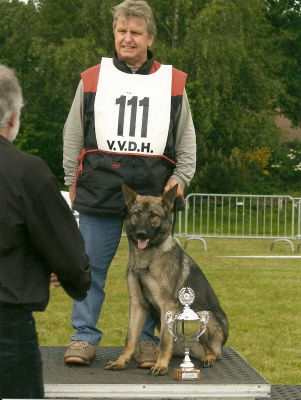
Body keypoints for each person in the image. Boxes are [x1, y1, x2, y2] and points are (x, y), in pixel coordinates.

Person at [63, 0, 196, 367]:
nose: (127, 38)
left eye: (135, 32)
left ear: (150, 37)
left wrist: (180, 178)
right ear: (114, 35)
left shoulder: (172, 82)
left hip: (154, 201)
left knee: (159, 278)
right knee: (90, 269)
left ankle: (148, 342)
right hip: (100, 191)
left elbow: (186, 140)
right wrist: (69, 180)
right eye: (122, 31)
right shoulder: (92, 77)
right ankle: (83, 338)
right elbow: (72, 134)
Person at [0, 64, 91, 399]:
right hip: (6, 327)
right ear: (13, 118)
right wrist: (74, 279)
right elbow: (68, 253)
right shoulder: (27, 172)